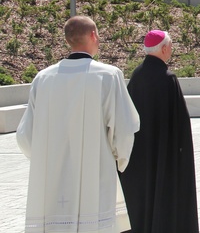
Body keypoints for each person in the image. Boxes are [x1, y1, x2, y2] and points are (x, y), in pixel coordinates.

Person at [16, 16, 140, 233]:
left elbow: (25, 136)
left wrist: (46, 162)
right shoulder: (108, 75)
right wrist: (119, 161)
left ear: (67, 41)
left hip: (53, 181)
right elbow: (124, 128)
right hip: (96, 173)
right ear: (93, 35)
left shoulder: (43, 78)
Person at [118, 30, 199, 233]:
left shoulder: (136, 76)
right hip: (166, 156)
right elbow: (180, 123)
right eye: (170, 46)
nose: (171, 49)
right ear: (164, 48)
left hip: (140, 157)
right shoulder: (168, 78)